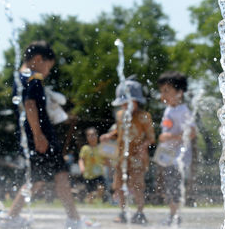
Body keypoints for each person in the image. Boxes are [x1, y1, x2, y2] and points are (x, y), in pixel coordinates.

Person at [0, 41, 84, 229]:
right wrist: (38, 135)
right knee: (56, 175)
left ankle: (12, 217)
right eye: (48, 66)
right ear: (38, 59)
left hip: (30, 136)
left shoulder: (19, 77)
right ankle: (74, 220)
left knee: (39, 178)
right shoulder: (33, 77)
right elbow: (30, 105)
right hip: (41, 136)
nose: (47, 71)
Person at [101, 78, 155, 225]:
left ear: (137, 101)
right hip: (121, 157)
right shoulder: (120, 115)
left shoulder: (144, 117)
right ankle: (123, 212)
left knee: (137, 185)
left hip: (137, 156)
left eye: (129, 102)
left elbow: (151, 138)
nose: (126, 106)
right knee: (119, 185)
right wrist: (109, 136)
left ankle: (139, 212)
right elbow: (118, 131)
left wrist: (143, 147)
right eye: (123, 103)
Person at [155, 71, 196, 226]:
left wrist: (171, 137)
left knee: (173, 188)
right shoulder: (169, 109)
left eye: (167, 91)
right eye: (161, 91)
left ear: (179, 92)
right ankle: (173, 215)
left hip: (178, 158)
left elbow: (191, 132)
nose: (163, 95)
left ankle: (175, 216)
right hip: (168, 156)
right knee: (168, 187)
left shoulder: (183, 110)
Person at [79, 127, 107, 203]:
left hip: (98, 173)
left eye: (93, 135)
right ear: (87, 137)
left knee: (101, 187)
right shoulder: (85, 148)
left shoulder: (100, 147)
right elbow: (81, 159)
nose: (92, 137)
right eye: (89, 135)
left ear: (97, 136)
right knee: (90, 194)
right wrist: (82, 167)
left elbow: (105, 159)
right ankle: (91, 202)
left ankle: (98, 198)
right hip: (88, 174)